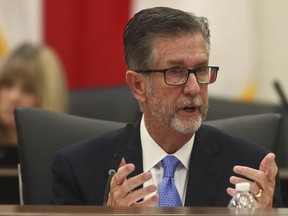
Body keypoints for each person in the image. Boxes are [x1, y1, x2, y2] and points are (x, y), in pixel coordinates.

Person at [50, 7, 282, 207]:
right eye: (175, 72)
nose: (193, 88)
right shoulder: (79, 169)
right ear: (139, 85)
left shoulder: (252, 170)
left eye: (200, 70)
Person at [0, 42, 68, 203]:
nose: (13, 96)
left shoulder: (62, 160)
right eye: (7, 84)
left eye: (28, 89)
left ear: (47, 98)